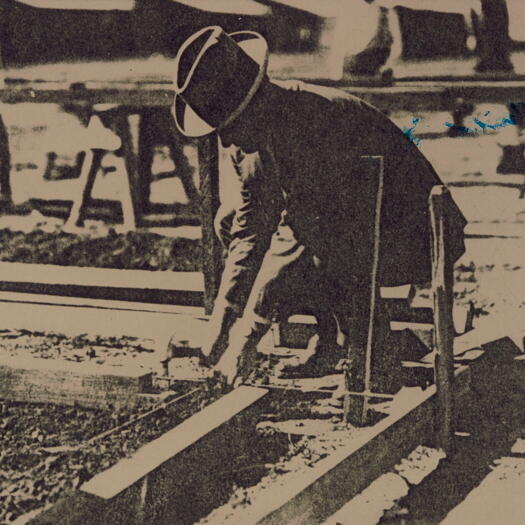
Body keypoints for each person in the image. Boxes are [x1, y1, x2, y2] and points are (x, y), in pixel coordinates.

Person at [166, 25, 466, 387]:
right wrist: (221, 322)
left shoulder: (315, 121)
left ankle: (374, 356)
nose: (226, 138)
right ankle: (332, 342)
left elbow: (298, 237)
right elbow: (249, 228)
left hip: (415, 234)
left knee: (321, 242)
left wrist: (248, 333)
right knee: (229, 222)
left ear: (257, 98)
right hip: (347, 232)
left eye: (232, 123)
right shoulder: (250, 139)